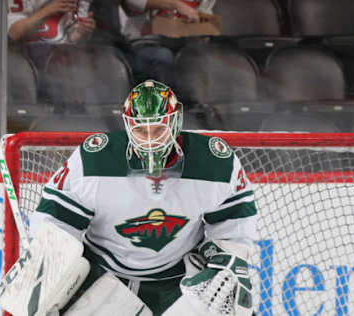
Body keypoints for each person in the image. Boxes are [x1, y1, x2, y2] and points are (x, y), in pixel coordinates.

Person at [30, 79, 258, 315]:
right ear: (128, 126)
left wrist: (225, 260)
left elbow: (234, 224)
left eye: (158, 128)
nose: (150, 139)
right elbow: (55, 221)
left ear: (175, 121)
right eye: (141, 129)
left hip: (177, 280)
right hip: (100, 274)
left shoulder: (213, 162)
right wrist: (50, 264)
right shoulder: (94, 160)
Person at [7, 0, 96, 68]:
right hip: (24, 65)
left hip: (64, 69)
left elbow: (67, 40)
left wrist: (80, 32)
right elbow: (14, 33)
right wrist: (48, 11)